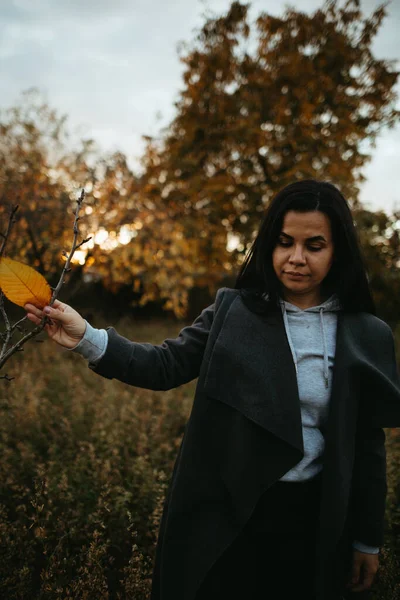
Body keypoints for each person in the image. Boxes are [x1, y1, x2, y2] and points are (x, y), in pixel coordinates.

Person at [24, 179, 400, 600]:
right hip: (230, 518)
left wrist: (367, 539)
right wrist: (87, 337)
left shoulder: (367, 335)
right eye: (283, 242)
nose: (296, 258)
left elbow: (368, 447)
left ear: (338, 251)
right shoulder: (233, 310)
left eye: (314, 245)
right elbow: (164, 364)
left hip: (316, 521)